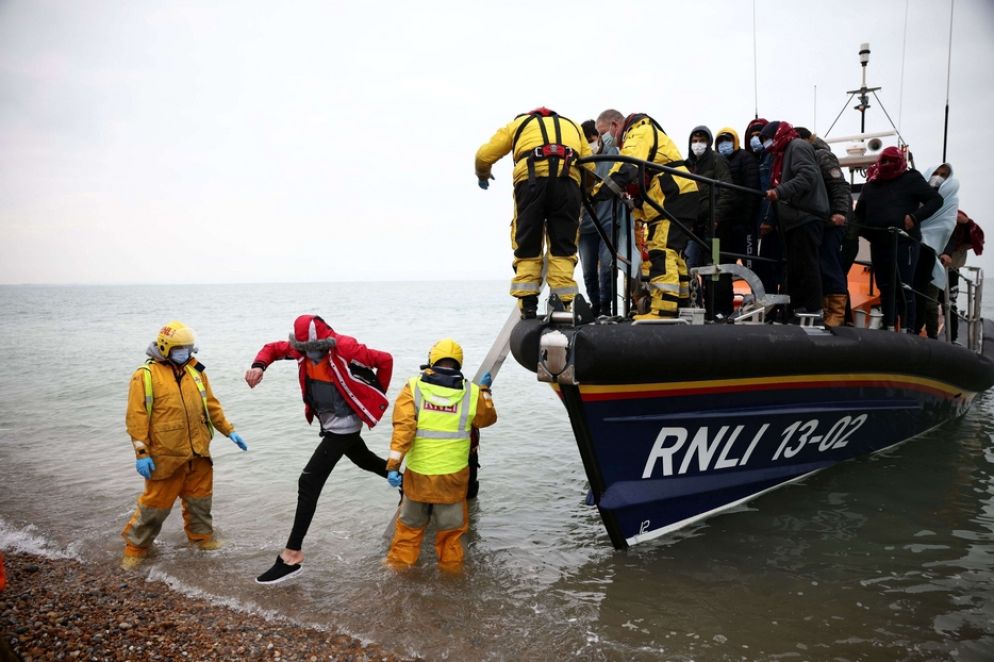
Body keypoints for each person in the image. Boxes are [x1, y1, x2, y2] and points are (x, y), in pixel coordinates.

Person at [247, 314, 392, 584]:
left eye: (316, 349)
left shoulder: (346, 347)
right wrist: (259, 366)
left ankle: (292, 555)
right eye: (305, 350)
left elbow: (385, 360)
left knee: (308, 481)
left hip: (345, 425)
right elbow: (273, 349)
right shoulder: (301, 350)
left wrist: (372, 397)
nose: (311, 355)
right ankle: (406, 482)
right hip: (329, 423)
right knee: (363, 459)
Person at [121, 321, 247, 570]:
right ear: (165, 347)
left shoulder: (196, 371)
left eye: (188, 348)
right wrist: (142, 453)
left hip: (199, 452)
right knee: (155, 507)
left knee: (200, 502)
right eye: (181, 349)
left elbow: (211, 406)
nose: (186, 353)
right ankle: (136, 549)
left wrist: (229, 431)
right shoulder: (145, 376)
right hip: (166, 455)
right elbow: (136, 418)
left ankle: (203, 540)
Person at [385, 339, 497, 571]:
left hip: (418, 476)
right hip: (452, 478)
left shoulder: (413, 387)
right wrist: (485, 392)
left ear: (431, 359)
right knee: (451, 535)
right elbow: (487, 419)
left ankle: (398, 571)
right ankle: (452, 579)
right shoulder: (472, 392)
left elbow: (403, 430)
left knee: (409, 530)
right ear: (459, 362)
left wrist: (393, 465)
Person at [476, 108, 593, 319]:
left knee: (528, 243)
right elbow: (590, 166)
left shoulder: (518, 125)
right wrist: (586, 192)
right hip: (568, 186)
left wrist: (483, 175)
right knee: (563, 246)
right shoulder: (574, 126)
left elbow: (483, 156)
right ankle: (563, 304)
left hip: (530, 184)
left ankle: (528, 305)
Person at [593, 109, 699, 319]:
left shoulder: (638, 132)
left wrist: (597, 192)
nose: (603, 140)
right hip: (678, 193)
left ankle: (663, 310)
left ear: (614, 125)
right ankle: (683, 304)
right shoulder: (645, 132)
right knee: (674, 253)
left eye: (603, 133)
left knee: (661, 250)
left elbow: (626, 167)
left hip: (672, 194)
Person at [853, 147, 943, 331]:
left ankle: (907, 330)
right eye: (883, 161)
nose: (886, 164)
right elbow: (859, 216)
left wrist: (915, 217)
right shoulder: (870, 186)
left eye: (890, 161)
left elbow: (936, 200)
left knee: (904, 289)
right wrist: (867, 232)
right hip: (879, 245)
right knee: (885, 289)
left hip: (905, 244)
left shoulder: (911, 178)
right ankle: (889, 327)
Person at [760, 120, 829, 321]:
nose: (765, 144)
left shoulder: (797, 146)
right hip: (792, 220)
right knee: (795, 268)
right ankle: (797, 310)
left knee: (807, 266)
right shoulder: (780, 154)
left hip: (806, 216)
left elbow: (807, 176)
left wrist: (780, 191)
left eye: (766, 139)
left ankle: (813, 310)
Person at [796, 127, 852, 327]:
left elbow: (839, 185)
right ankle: (825, 308)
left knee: (829, 262)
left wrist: (840, 212)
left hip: (832, 221)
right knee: (818, 264)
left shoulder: (822, 156)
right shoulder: (806, 158)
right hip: (817, 220)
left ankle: (836, 311)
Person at [685, 126, 734, 314]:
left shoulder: (716, 160)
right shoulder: (689, 165)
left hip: (713, 226)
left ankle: (718, 311)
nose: (698, 144)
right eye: (694, 140)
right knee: (688, 267)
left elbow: (727, 190)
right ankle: (697, 308)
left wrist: (716, 216)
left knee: (713, 270)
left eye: (702, 140)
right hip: (693, 226)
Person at [911, 164, 960, 337]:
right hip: (910, 249)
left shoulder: (950, 202)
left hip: (932, 255)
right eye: (936, 173)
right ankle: (910, 330)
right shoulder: (916, 195)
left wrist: (945, 252)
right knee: (908, 294)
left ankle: (932, 336)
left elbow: (949, 228)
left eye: (943, 175)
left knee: (930, 302)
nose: (938, 177)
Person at [578, 119, 619, 316]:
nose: (590, 145)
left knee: (606, 268)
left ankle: (605, 307)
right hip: (585, 226)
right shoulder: (578, 161)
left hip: (607, 223)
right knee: (588, 272)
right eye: (585, 142)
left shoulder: (611, 154)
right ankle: (595, 306)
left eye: (592, 140)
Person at [744, 117, 784, 299]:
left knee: (769, 266)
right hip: (753, 221)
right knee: (754, 265)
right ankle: (762, 301)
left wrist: (769, 219)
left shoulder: (771, 157)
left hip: (767, 221)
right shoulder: (752, 159)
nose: (755, 139)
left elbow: (771, 189)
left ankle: (770, 304)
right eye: (752, 136)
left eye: (759, 135)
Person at [940, 209, 985, 342]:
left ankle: (952, 338)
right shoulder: (940, 221)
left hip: (952, 271)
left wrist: (968, 222)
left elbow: (978, 239)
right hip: (934, 269)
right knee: (932, 302)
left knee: (950, 304)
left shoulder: (964, 228)